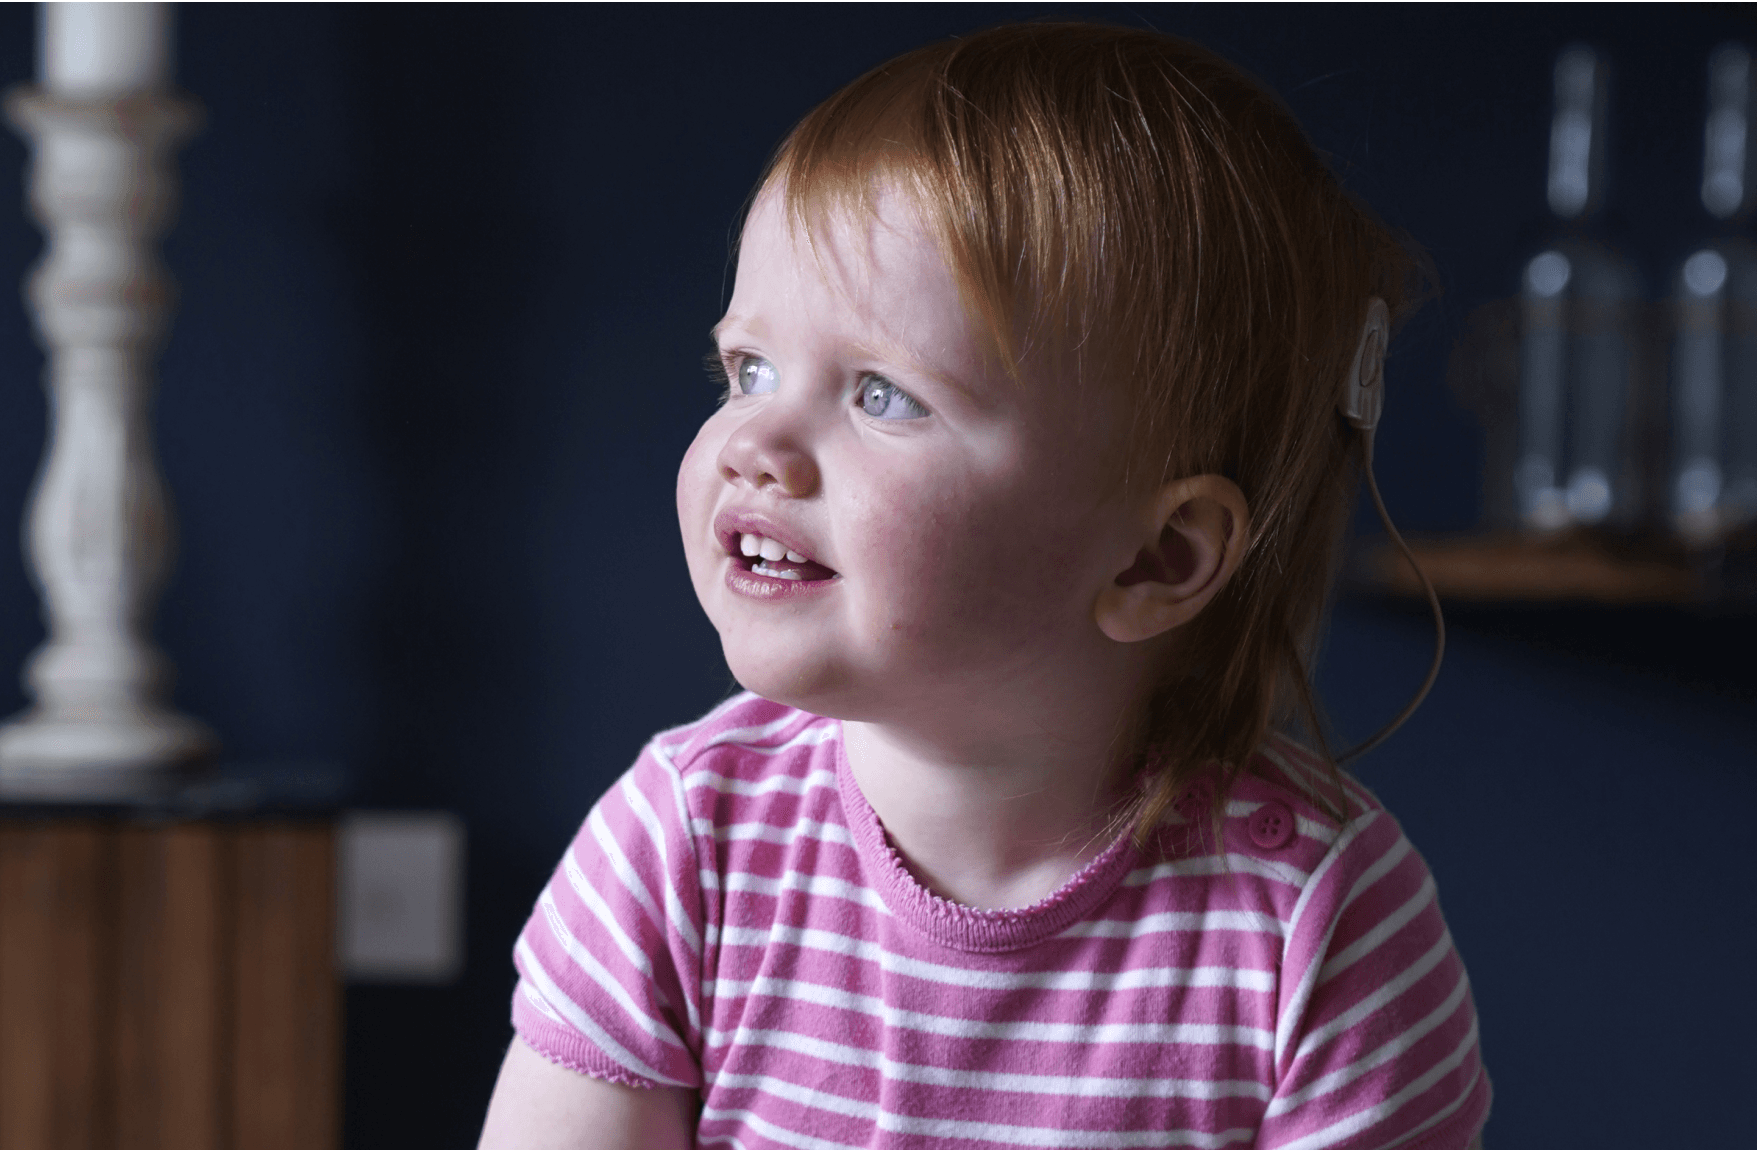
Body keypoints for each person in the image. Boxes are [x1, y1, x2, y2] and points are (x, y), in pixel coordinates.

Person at [479, 21, 1490, 1150]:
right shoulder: (680, 845)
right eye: (749, 369)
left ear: (1159, 558)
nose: (754, 440)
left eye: (883, 395)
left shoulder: (1321, 927)